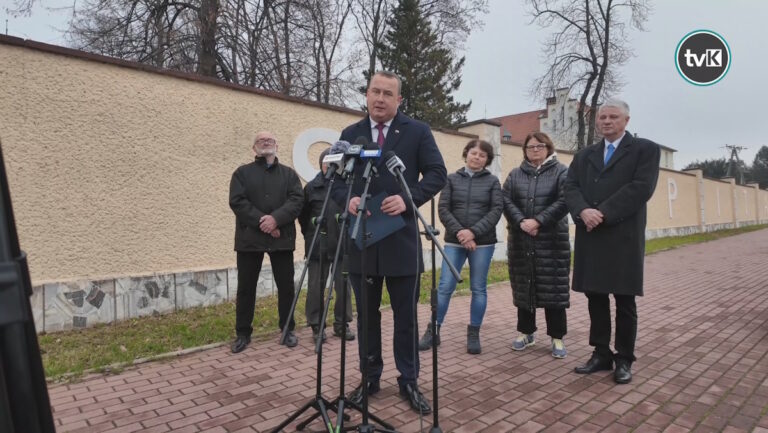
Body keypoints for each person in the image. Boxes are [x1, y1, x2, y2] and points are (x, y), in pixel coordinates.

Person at [333, 71, 447, 414]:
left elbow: (437, 174)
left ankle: (408, 379)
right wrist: (348, 200)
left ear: (399, 100)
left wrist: (409, 198)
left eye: (387, 93)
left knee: (405, 318)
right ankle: (369, 377)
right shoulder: (350, 134)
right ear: (366, 95)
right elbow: (336, 182)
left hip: (401, 241)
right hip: (363, 241)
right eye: (374, 92)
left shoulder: (417, 132)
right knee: (366, 316)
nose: (380, 99)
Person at [564, 99, 660, 384]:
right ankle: (601, 353)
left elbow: (641, 188)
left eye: (613, 117)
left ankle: (624, 358)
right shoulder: (584, 156)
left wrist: (602, 212)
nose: (606, 121)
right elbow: (570, 186)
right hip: (591, 234)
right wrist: (582, 210)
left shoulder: (644, 150)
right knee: (595, 296)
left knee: (624, 298)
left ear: (626, 121)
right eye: (602, 117)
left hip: (622, 235)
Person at [417, 139, 502, 355]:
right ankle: (433, 330)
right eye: (474, 153)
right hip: (455, 241)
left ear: (487, 160)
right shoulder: (451, 179)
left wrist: (473, 232)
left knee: (478, 288)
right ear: (466, 154)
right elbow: (444, 209)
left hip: (483, 243)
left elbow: (495, 211)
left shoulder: (493, 182)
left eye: (482, 155)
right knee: (445, 286)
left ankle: (473, 333)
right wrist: (463, 235)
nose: (477, 157)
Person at [229, 131, 304, 353]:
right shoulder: (242, 173)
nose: (266, 143)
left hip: (281, 238)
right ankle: (243, 333)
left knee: (286, 287)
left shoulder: (289, 175)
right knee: (246, 288)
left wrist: (276, 219)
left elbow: (297, 200)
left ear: (277, 146)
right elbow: (237, 201)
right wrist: (264, 222)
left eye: (270, 140)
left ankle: (287, 329)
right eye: (261, 141)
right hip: (249, 239)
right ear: (254, 148)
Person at [502, 132, 571, 359]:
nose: (535, 150)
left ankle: (557, 337)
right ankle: (526, 333)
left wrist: (538, 221)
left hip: (551, 241)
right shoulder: (515, 175)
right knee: (525, 287)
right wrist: (522, 222)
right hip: (522, 240)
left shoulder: (561, 172)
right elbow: (506, 200)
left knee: (554, 290)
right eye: (530, 147)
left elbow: (565, 200)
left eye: (540, 146)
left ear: (548, 148)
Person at [298, 148, 355, 344]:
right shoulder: (312, 187)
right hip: (317, 245)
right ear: (322, 164)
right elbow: (303, 217)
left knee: (344, 286)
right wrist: (310, 236)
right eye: (328, 163)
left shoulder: (348, 185)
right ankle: (317, 326)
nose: (332, 166)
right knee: (316, 287)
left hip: (342, 244)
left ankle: (341, 324)